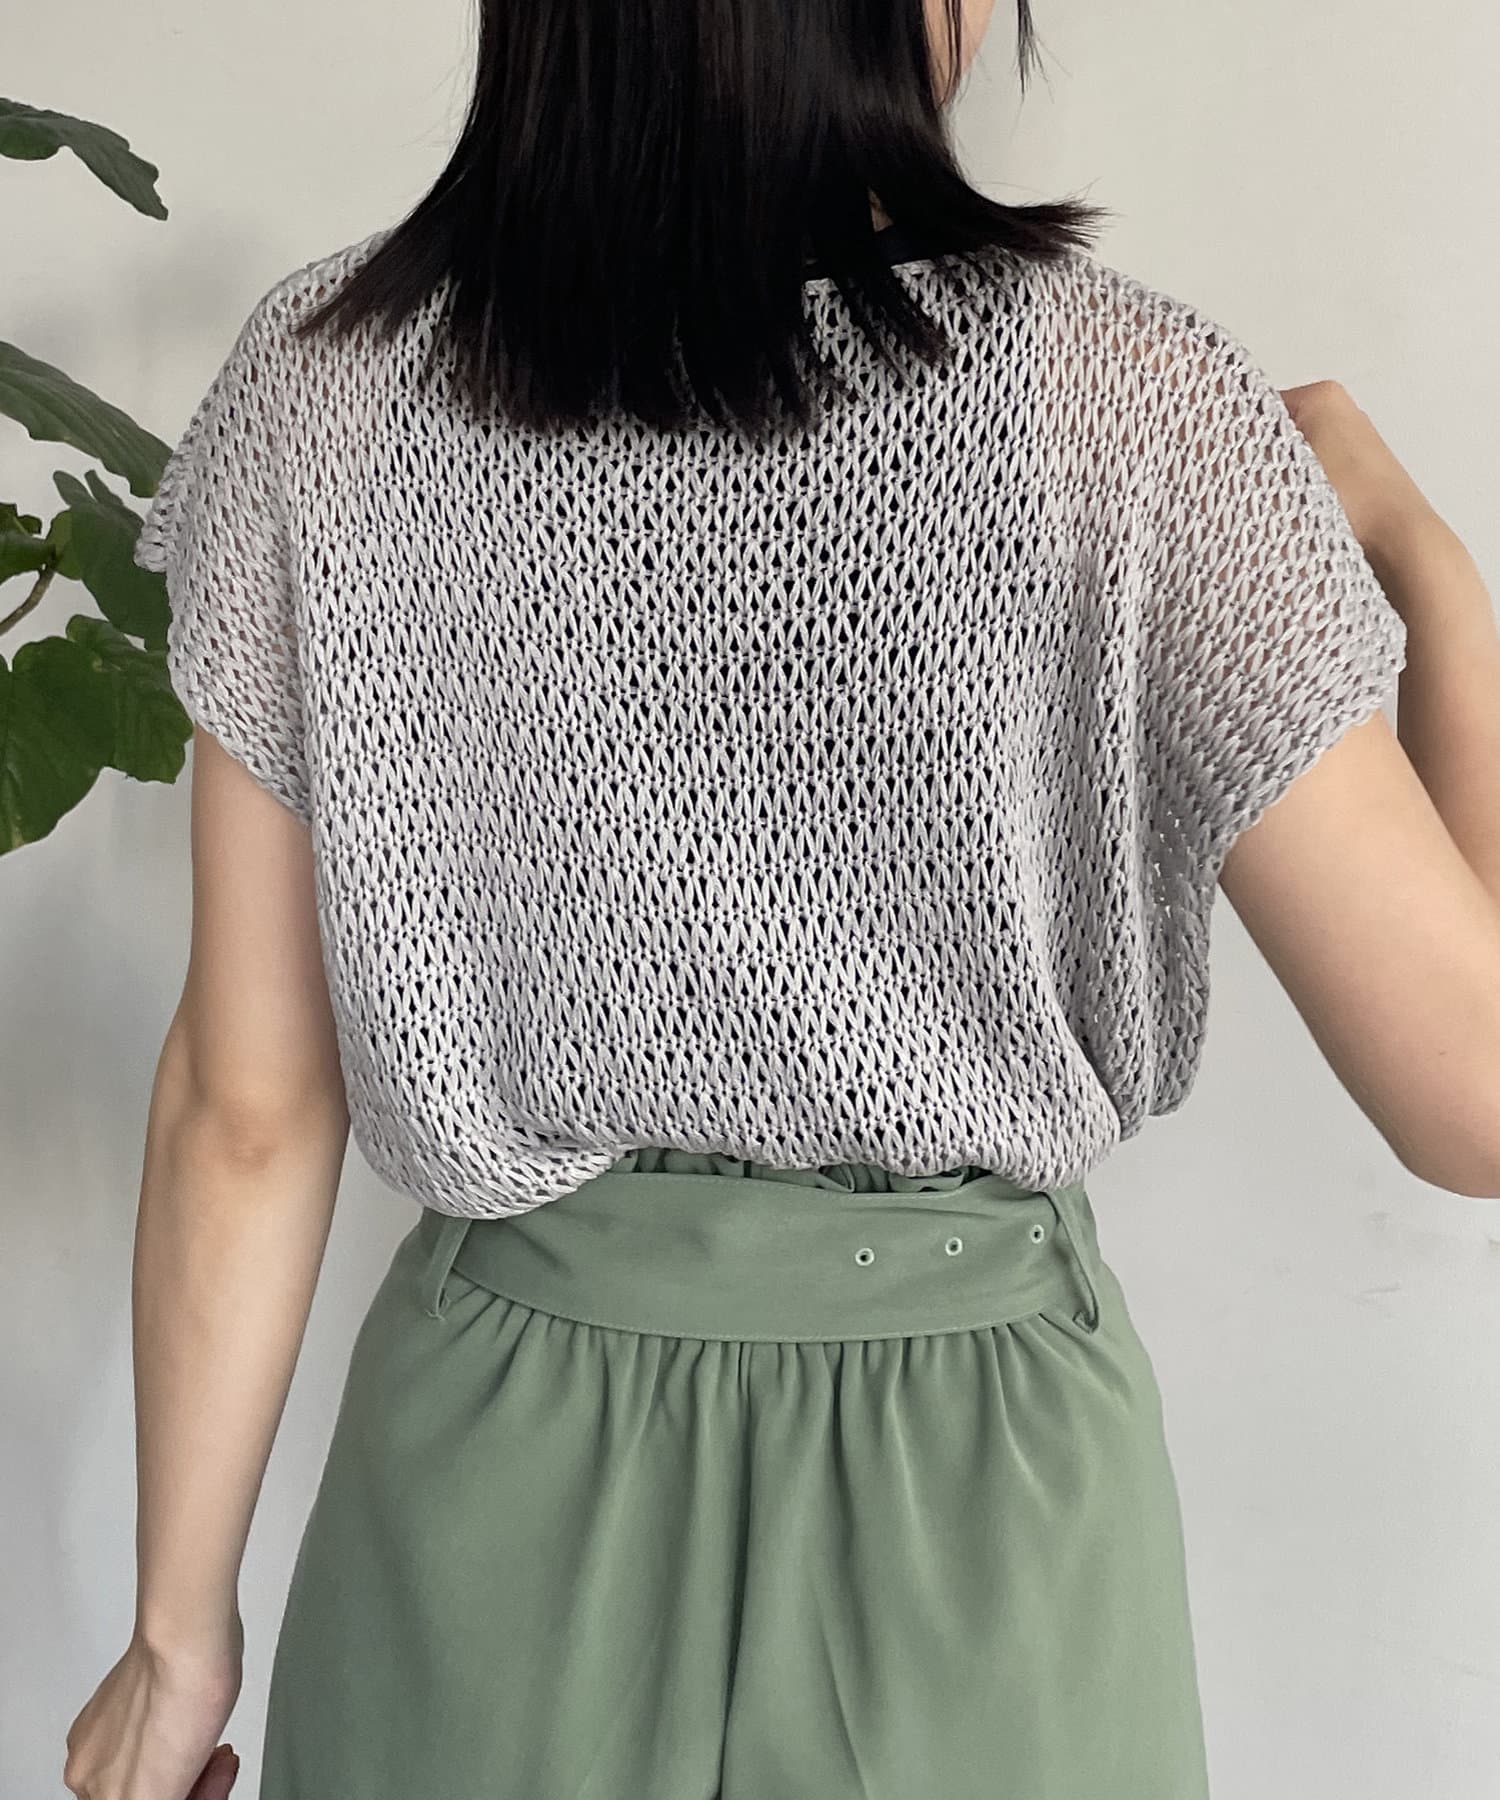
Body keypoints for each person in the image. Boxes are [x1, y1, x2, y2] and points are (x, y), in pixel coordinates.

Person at [64, 0, 1500, 1796]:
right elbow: (1476, 1101)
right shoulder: (1133, 406)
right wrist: (1429, 576)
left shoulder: (324, 386)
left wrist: (173, 1643)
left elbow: (249, 1106)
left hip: (490, 1474)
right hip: (980, 1487)